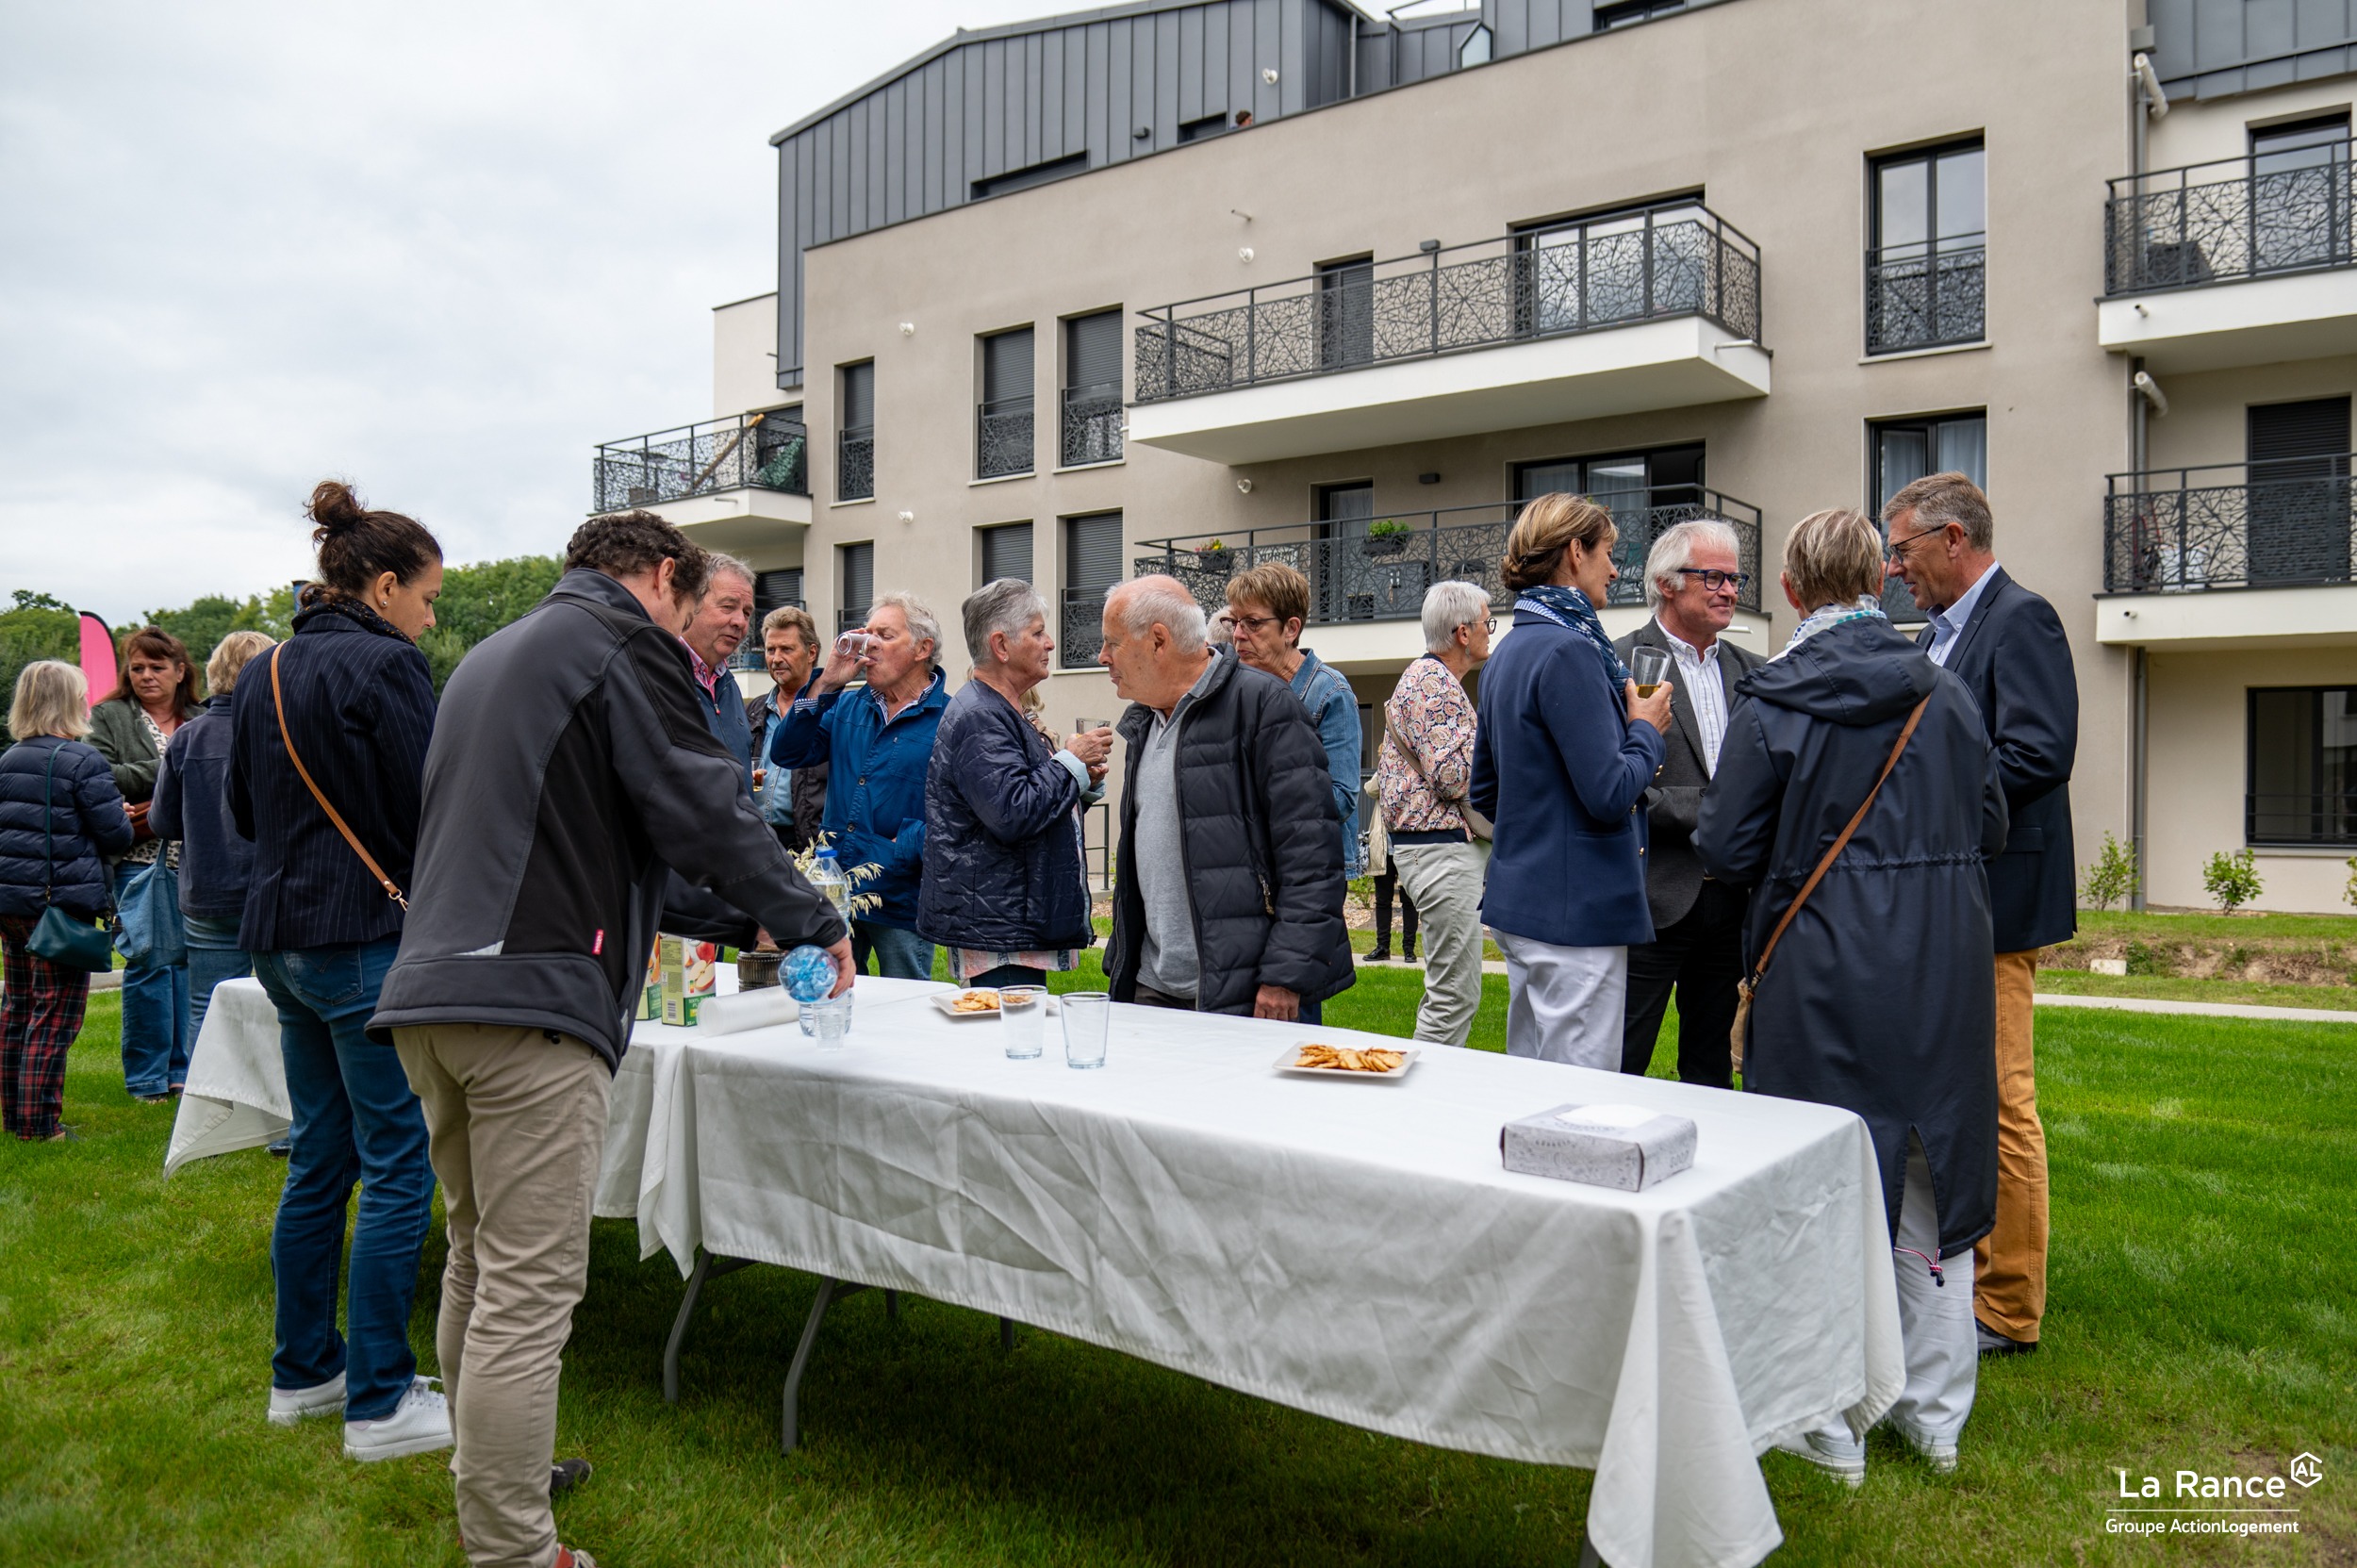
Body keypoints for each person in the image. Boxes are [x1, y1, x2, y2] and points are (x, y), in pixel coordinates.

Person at [371, 510, 851, 1568]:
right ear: (668, 577)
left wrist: (750, 918)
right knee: (530, 1286)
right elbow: (706, 809)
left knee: (477, 1258)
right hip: (530, 1000)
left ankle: (497, 1471)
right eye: (701, 603)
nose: (700, 629)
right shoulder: (623, 643)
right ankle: (510, 1544)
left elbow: (623, 840)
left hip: (436, 993)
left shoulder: (495, 655)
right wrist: (815, 914)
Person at [1697, 506, 2006, 1481]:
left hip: (1821, 965)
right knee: (1932, 1176)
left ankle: (1829, 1421)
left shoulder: (1773, 701)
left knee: (1818, 1188)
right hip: (1942, 963)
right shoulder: (1945, 693)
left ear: (1789, 591)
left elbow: (1725, 845)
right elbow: (1992, 818)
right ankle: (1935, 1410)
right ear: (1877, 582)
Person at [226, 481, 445, 1461]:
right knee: (399, 1162)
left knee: (322, 1154)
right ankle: (379, 1403)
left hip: (278, 932)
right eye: (431, 597)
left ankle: (304, 1372)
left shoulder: (262, 669)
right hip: (359, 933)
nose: (432, 616)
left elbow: (238, 806)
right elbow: (427, 804)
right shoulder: (387, 665)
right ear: (386, 585)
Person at [1882, 470, 2077, 1360]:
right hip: (1958, 902)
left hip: (2000, 902)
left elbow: (2039, 750)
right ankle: (1973, 1269)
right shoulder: (1944, 633)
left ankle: (2007, 1304)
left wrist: (1930, 797)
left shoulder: (2021, 618)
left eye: (1905, 549)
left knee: (2004, 1102)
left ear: (1953, 538)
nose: (1894, 569)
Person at [1470, 495, 1672, 1067]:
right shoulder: (1570, 650)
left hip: (1526, 904)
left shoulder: (1508, 651)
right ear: (1574, 551)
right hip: (1576, 914)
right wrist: (1646, 730)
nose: (1615, 569)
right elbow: (1609, 793)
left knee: (1537, 1089)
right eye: (1609, 553)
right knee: (1578, 1105)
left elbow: (1485, 791)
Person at [1098, 575, 1352, 1021]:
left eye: (1112, 644)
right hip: (1152, 987)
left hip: (1248, 992)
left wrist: (1285, 975)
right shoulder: (1142, 720)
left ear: (1158, 641)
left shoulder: (1265, 705)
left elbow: (1311, 857)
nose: (1103, 658)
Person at [1613, 520, 1764, 1090]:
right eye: (1714, 577)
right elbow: (1620, 784)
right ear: (1666, 582)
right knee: (1620, 1064)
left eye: (1735, 578)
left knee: (1712, 1073)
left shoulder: (1753, 673)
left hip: (1733, 902)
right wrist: (1720, 809)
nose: (1729, 590)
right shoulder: (1620, 664)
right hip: (1652, 899)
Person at [919, 580, 1111, 989]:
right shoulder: (980, 716)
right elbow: (1013, 812)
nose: (1051, 643)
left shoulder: (998, 709)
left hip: (1006, 920)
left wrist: (1080, 782)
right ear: (1001, 646)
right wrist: (1071, 762)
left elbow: (1027, 802)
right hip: (999, 932)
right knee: (1008, 1044)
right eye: (1038, 632)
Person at [768, 591, 949, 980]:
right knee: (833, 995)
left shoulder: (950, 717)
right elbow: (787, 752)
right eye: (867, 635)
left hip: (901, 895)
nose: (869, 646)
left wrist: (903, 849)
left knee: (902, 1011)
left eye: (884, 636)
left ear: (923, 648)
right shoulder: (849, 704)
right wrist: (827, 683)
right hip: (838, 890)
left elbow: (957, 813)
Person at [0, 661, 133, 1142]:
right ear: (68, 702)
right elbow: (114, 834)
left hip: (11, 901)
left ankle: (15, 1118)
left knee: (17, 1009)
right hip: (58, 904)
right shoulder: (82, 761)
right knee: (53, 1017)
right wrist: (117, 810)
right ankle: (39, 1126)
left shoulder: (9, 758)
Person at [1375, 580, 1493, 1048]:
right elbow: (1451, 775)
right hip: (1439, 852)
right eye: (1488, 623)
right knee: (1453, 994)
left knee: (1455, 989)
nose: (1491, 632)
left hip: (1435, 850)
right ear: (1463, 633)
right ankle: (1422, 1102)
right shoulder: (1434, 683)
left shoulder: (1431, 680)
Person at [89, 625, 203, 1102]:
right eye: (138, 667)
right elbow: (98, 773)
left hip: (198, 860)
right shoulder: (109, 716)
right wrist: (173, 767)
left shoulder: (200, 715)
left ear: (181, 672)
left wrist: (152, 797)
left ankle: (184, 1072)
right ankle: (147, 1077)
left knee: (188, 969)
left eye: (157, 667)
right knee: (149, 966)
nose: (147, 676)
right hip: (138, 860)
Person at [151, 630, 275, 1061]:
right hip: (272, 888)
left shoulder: (187, 737)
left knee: (207, 1005)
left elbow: (163, 821)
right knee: (285, 1006)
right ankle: (279, 1110)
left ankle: (206, 1112)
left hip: (208, 888)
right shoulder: (280, 733)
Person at [1226, 562, 1364, 880]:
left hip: (1312, 870)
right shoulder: (1238, 689)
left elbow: (1341, 800)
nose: (1237, 634)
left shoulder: (1330, 693)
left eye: (1252, 623)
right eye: (1234, 621)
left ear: (1291, 629)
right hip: (1253, 866)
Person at [745, 604, 827, 853]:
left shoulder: (830, 712)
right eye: (771, 650)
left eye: (786, 649)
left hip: (808, 845)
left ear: (811, 652)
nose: (776, 658)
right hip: (754, 839)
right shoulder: (753, 711)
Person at [680, 551, 757, 792]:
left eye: (746, 612)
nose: (740, 622)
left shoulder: (727, 684)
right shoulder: (660, 675)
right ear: (692, 604)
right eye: (728, 606)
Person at [1360, 779, 1416, 964]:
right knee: (1383, 901)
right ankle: (1382, 947)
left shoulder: (1410, 771)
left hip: (1407, 846)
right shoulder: (1384, 772)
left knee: (1409, 901)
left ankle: (1409, 949)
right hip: (1384, 848)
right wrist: (1385, 766)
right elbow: (1370, 789)